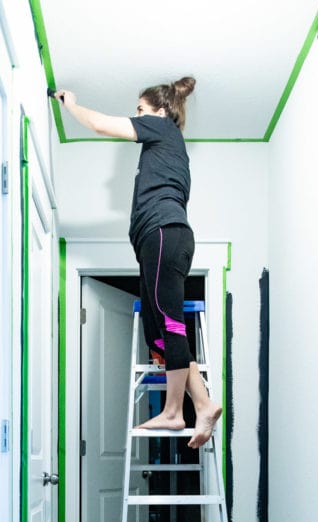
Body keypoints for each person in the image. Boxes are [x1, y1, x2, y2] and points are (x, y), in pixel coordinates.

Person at [55, 77, 222, 449]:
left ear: (160, 112)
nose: (138, 117)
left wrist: (71, 103)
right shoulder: (167, 146)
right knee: (158, 332)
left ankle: (176, 410)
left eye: (141, 111)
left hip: (165, 232)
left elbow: (101, 124)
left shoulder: (162, 127)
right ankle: (204, 402)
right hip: (157, 238)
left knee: (170, 319)